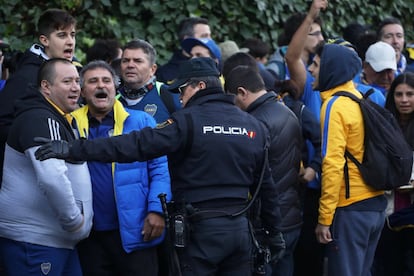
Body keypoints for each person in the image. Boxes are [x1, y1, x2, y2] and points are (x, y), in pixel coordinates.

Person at [35, 57, 282, 275]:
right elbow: (267, 186)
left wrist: (74, 149)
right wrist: (274, 233)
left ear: (200, 86)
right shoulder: (253, 125)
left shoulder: (186, 122)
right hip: (241, 232)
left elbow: (135, 144)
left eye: (182, 91)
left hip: (199, 232)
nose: (180, 98)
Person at [72, 60, 171, 275]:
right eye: (93, 81)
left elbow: (160, 170)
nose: (101, 85)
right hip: (89, 236)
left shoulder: (142, 121)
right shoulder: (70, 124)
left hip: (136, 231)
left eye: (106, 80)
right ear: (82, 91)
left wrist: (157, 210)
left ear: (115, 88)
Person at [0, 58, 93, 275]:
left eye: (77, 81)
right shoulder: (40, 118)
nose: (75, 88)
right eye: (67, 81)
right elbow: (52, 178)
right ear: (46, 87)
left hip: (53, 241)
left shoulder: (59, 117)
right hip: (35, 242)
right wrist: (74, 222)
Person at [310, 33, 387, 276]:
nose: (311, 69)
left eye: (316, 64)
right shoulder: (359, 99)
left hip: (351, 209)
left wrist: (324, 218)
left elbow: (332, 164)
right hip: (374, 207)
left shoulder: (334, 105)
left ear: (330, 68)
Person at [224, 65, 302, 276]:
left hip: (265, 224)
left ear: (242, 92)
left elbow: (251, 174)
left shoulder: (253, 123)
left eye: (232, 98)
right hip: (292, 218)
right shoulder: (288, 112)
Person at [0, 8, 78, 183]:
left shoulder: (70, 68)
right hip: (25, 174)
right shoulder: (26, 76)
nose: (70, 42)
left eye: (72, 35)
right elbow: (3, 122)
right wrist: (32, 143)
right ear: (44, 40)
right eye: (62, 35)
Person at [372, 72, 414, 276]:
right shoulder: (384, 124)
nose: (404, 100)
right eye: (399, 94)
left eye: (410, 94)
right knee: (388, 264)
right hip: (387, 204)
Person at [117, 39, 181, 124]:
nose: (130, 65)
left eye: (138, 61)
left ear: (152, 69)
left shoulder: (169, 96)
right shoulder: (113, 101)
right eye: (125, 61)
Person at [156, 17, 211, 83]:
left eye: (210, 36)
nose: (210, 40)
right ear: (187, 40)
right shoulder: (165, 74)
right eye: (204, 36)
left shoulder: (217, 65)